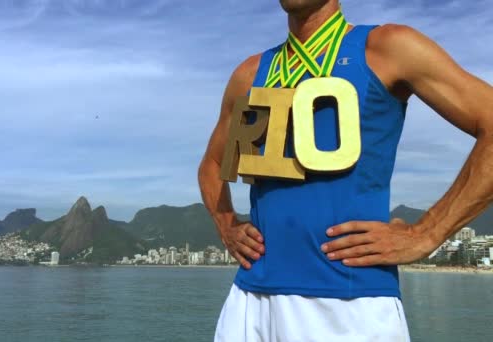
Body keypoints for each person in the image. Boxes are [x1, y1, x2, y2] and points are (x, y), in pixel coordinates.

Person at [197, 0, 493, 341]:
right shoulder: (249, 73)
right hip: (250, 298)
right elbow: (212, 163)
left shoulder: (388, 48)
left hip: (350, 301)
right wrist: (226, 224)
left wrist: (426, 233)